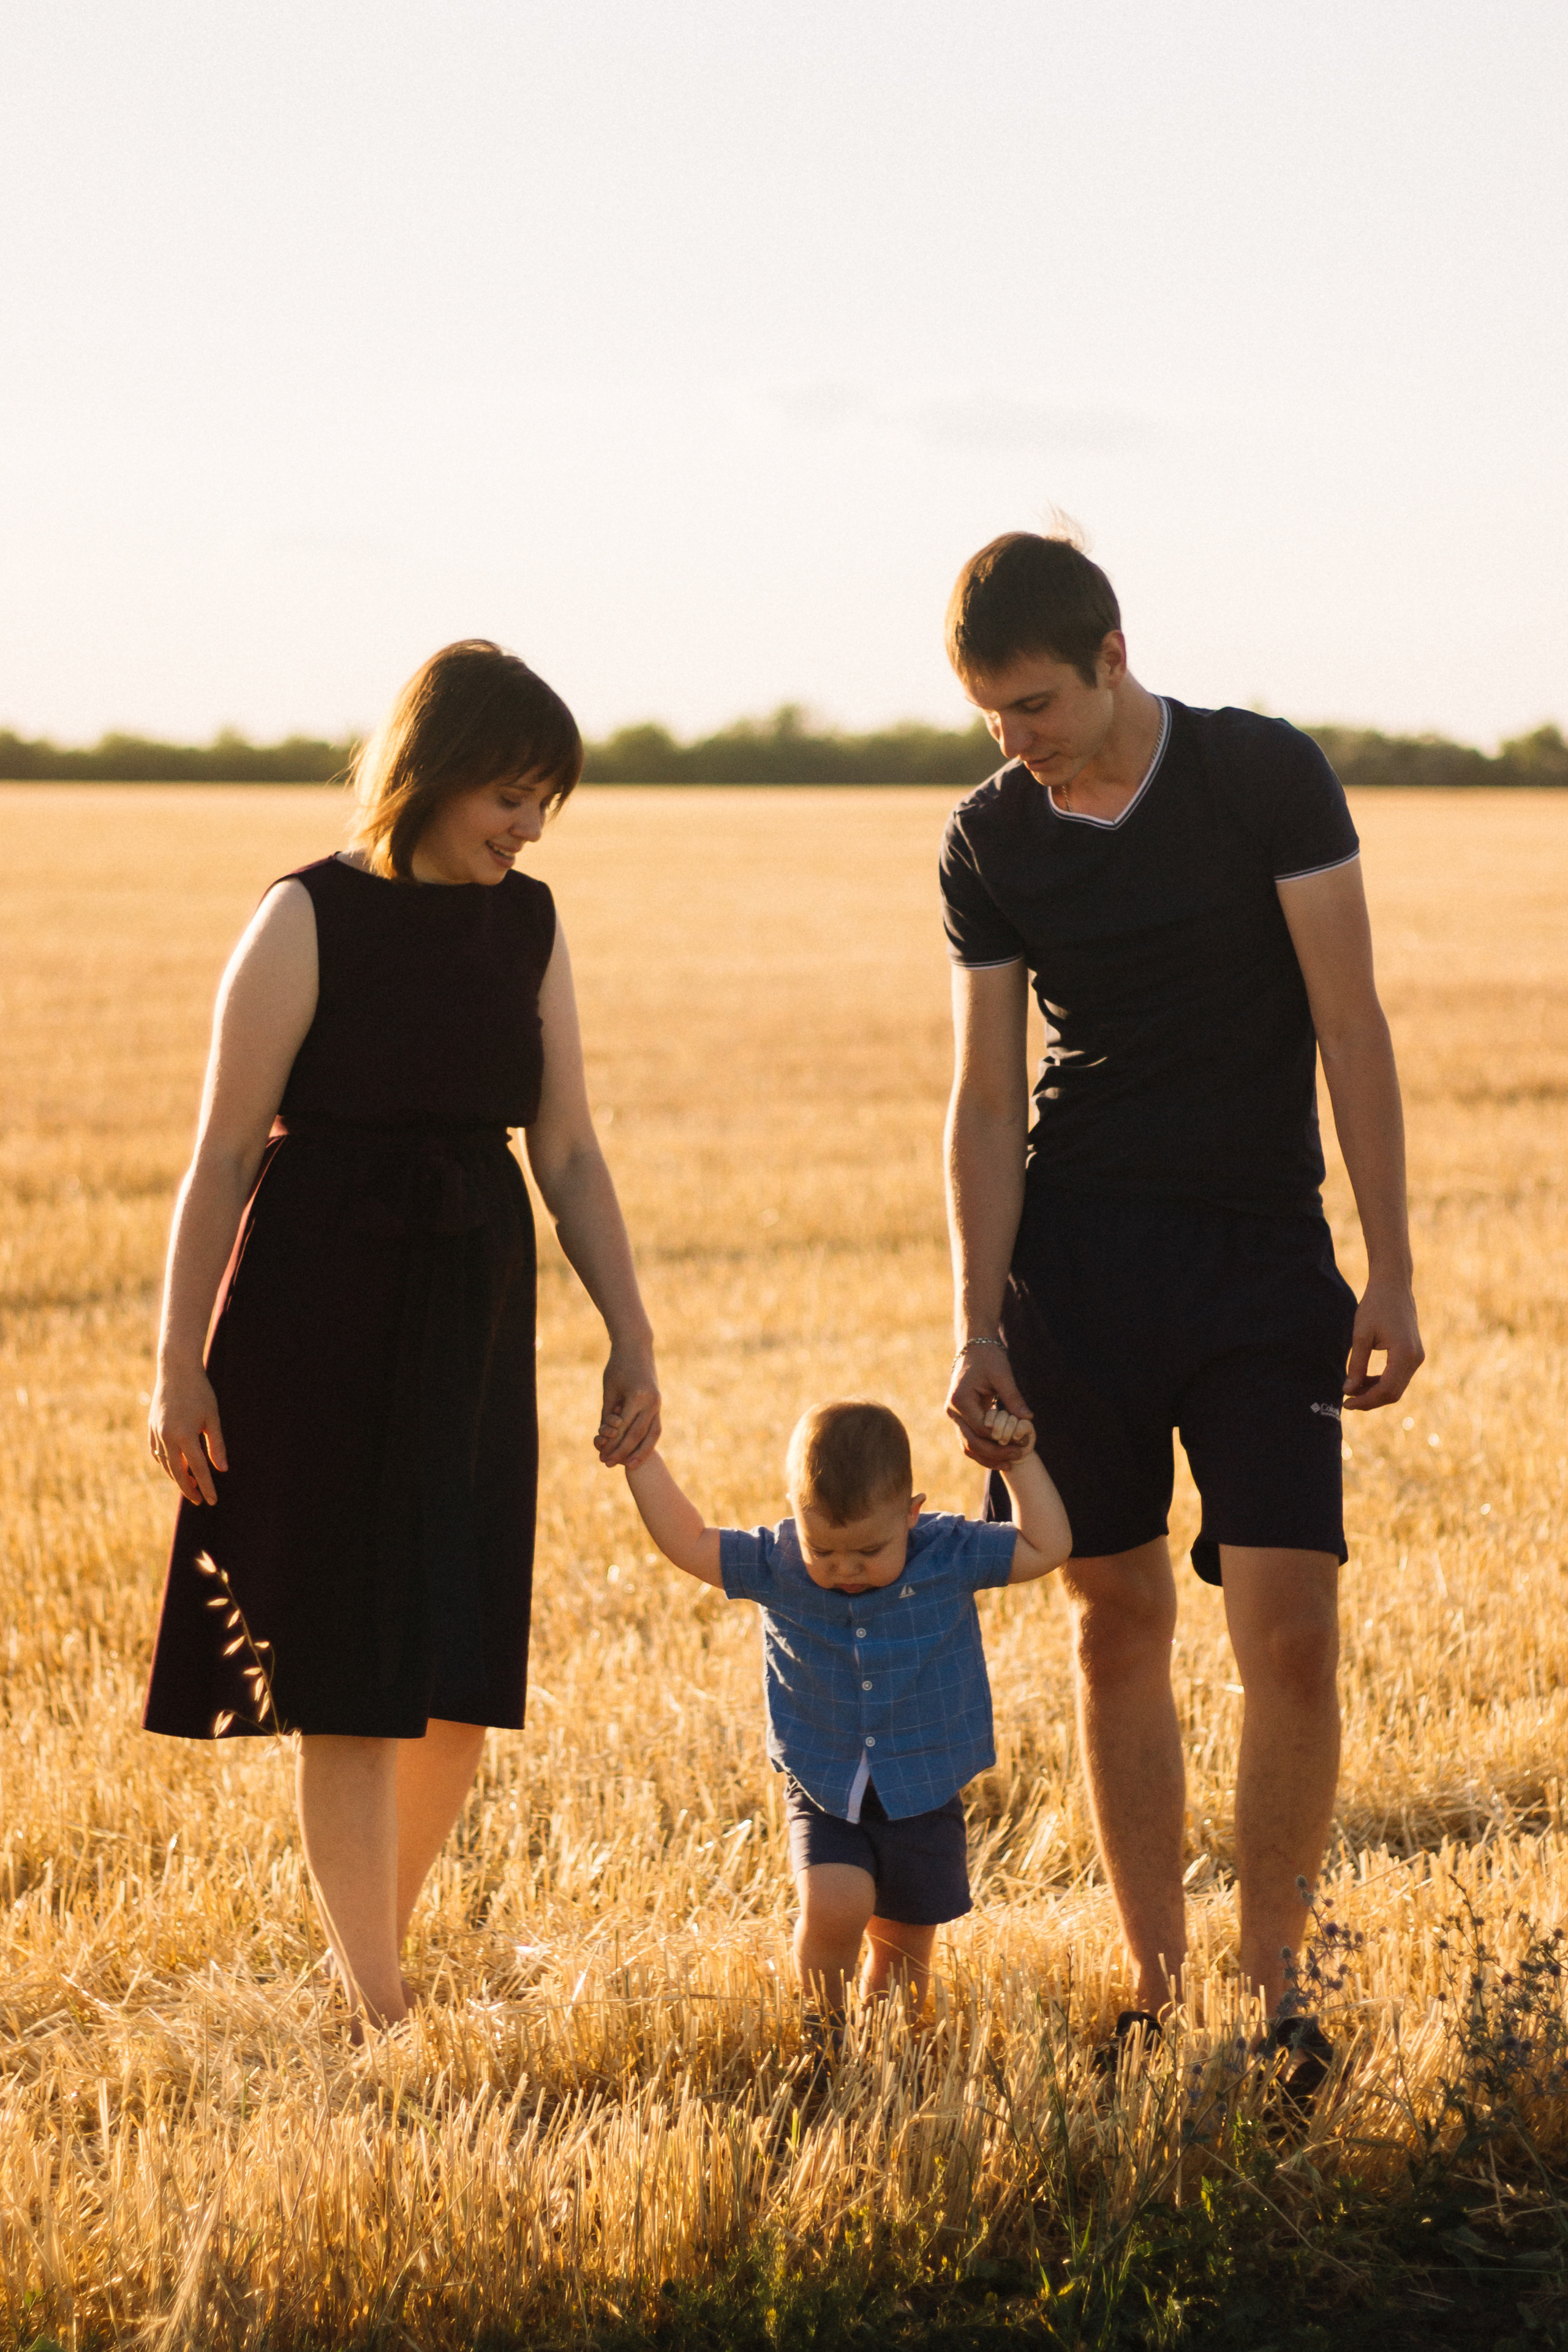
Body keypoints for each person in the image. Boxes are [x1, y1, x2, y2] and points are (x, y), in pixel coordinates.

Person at [940, 532, 1423, 2062]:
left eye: (1032, 706)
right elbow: (978, 1093)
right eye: (989, 716)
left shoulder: (1260, 777)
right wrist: (974, 1318)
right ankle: (1153, 1989)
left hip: (1258, 1255)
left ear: (1109, 651)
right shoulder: (987, 835)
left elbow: (1348, 1026)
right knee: (1113, 1613)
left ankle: (1282, 1992)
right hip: (1073, 1262)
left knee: (1288, 1630)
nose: (1015, 743)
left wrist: (1389, 1265)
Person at [143, 639, 660, 2028]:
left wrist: (631, 1331)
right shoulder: (304, 915)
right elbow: (219, 1159)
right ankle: (380, 2001)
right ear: (433, 773)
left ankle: (369, 1946)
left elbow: (566, 1147)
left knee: (455, 1687)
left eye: (545, 800)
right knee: (352, 1679)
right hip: (316, 1309)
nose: (529, 826)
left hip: (471, 1315)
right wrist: (176, 1360)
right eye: (510, 793)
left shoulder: (530, 923)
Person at [620, 1397, 1071, 2019]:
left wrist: (1017, 1461)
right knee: (834, 1905)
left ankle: (897, 2060)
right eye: (824, 1550)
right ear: (796, 1520)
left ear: (911, 1515)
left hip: (925, 1783)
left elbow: (1046, 1546)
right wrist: (639, 1459)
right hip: (826, 1780)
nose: (845, 1568)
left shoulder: (947, 1553)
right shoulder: (777, 1563)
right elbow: (689, 1541)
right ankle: (821, 2033)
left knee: (906, 1947)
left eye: (867, 1550)